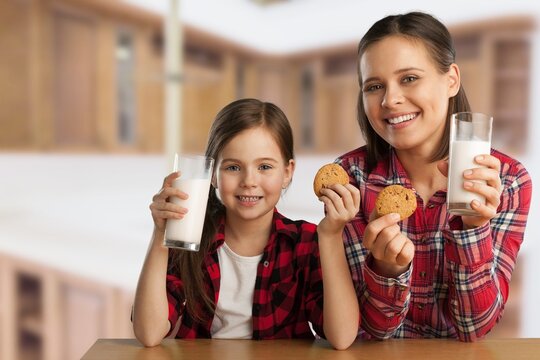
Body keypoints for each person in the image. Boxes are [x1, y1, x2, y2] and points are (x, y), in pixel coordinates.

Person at [335, 12, 532, 341]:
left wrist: (474, 229)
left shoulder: (508, 181)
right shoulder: (350, 179)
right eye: (374, 86)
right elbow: (371, 332)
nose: (390, 100)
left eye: (409, 78)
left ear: (451, 79)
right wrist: (387, 270)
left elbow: (475, 327)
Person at [132, 98, 360, 350]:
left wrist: (331, 236)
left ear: (287, 172)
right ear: (213, 175)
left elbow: (342, 337)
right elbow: (149, 332)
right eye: (233, 167)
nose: (249, 181)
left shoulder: (304, 243)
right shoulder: (190, 238)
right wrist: (161, 234)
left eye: (264, 166)